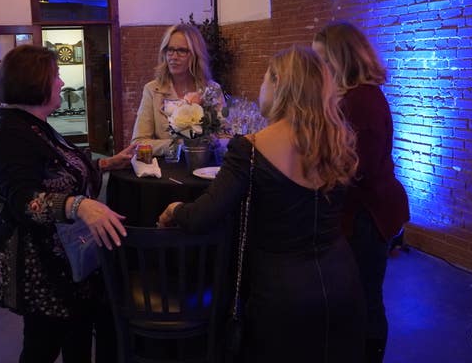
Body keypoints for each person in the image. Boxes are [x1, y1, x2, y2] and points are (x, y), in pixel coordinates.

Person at [159, 45, 366, 362]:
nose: (260, 89)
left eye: (264, 80)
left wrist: (175, 210)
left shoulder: (251, 149)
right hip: (343, 281)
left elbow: (203, 215)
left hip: (280, 293)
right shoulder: (336, 142)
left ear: (280, 82)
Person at [0, 44, 136, 363]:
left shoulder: (29, 124)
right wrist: (79, 206)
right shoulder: (10, 133)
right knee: (42, 345)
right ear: (34, 82)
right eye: (56, 77)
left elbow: (59, 169)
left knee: (75, 336)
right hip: (37, 264)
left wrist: (106, 164)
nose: (62, 84)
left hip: (62, 258)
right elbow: (23, 201)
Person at [313, 21, 410, 363]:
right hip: (365, 210)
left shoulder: (361, 101)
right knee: (360, 296)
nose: (319, 68)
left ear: (341, 59)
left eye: (323, 60)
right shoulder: (354, 97)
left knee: (366, 298)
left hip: (368, 214)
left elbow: (355, 168)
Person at [131, 23, 222, 156]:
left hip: (204, 167)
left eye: (181, 51)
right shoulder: (152, 90)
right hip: (166, 170)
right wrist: (179, 145)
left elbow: (224, 136)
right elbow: (138, 143)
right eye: (170, 50)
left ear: (195, 54)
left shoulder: (212, 90)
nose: (173, 57)